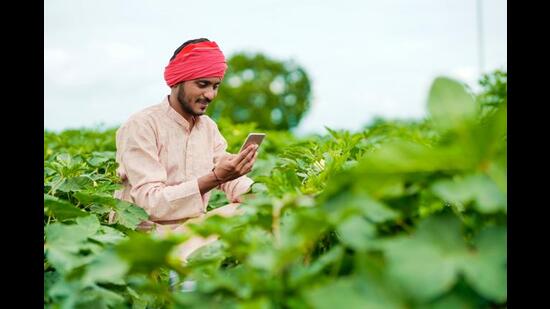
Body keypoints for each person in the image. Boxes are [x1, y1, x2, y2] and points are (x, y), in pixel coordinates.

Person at [112, 38, 258, 262]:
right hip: (147, 240)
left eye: (215, 86)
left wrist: (266, 197)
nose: (210, 95)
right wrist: (215, 177)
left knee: (250, 212)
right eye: (202, 84)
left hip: (191, 233)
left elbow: (231, 179)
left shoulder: (207, 127)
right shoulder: (141, 125)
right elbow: (149, 204)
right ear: (177, 81)